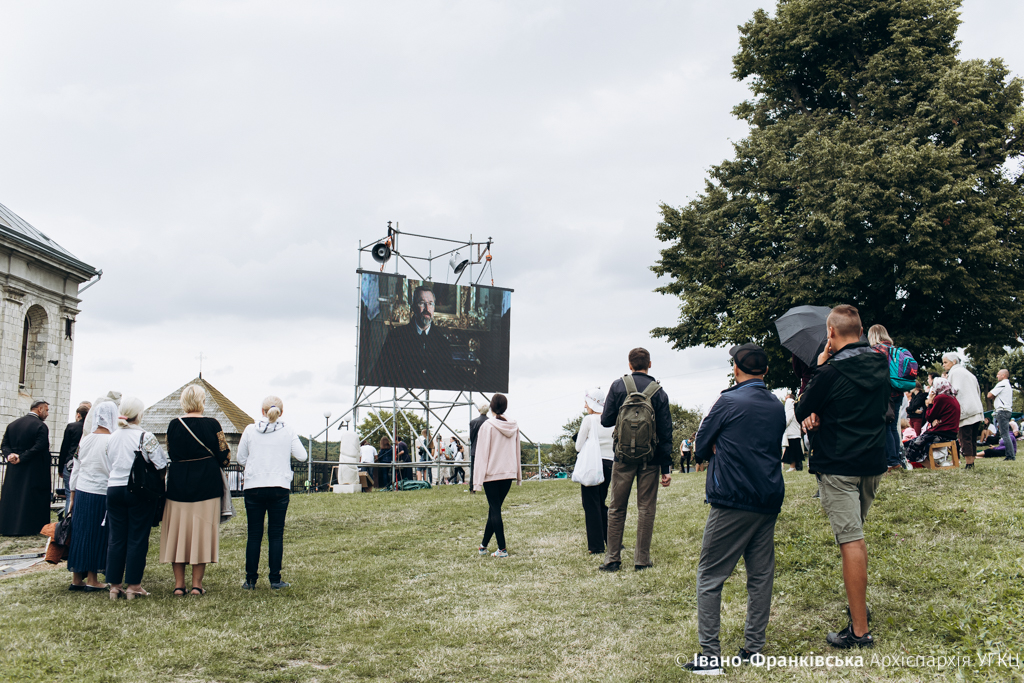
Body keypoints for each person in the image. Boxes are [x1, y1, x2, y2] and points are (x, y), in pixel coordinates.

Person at [684, 343, 785, 674]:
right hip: (768, 496)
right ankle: (754, 648)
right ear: (765, 371)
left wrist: (716, 444)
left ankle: (711, 657)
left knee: (710, 575)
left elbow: (701, 446)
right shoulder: (776, 404)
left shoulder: (728, 401)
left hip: (733, 496)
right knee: (761, 575)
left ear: (736, 369)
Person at [794, 304, 887, 649]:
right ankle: (858, 605)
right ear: (861, 332)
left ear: (830, 333)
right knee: (856, 536)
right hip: (872, 462)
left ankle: (859, 631)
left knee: (851, 542)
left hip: (838, 465)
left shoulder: (829, 372)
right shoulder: (881, 363)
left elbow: (802, 409)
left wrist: (819, 368)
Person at [599, 347, 673, 572]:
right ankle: (642, 560)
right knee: (646, 508)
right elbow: (666, 433)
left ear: (629, 365)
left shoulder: (618, 386)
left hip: (622, 457)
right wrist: (666, 467)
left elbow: (606, 421)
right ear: (649, 364)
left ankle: (612, 559)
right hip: (651, 459)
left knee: (616, 507)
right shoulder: (658, 392)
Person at [160, 384, 231, 596]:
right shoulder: (213, 424)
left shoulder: (174, 425)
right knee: (202, 535)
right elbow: (224, 455)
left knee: (178, 534)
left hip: (178, 484)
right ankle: (197, 585)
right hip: (207, 485)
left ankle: (178, 585)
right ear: (203, 402)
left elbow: (170, 451)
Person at [236, 395, 307, 590]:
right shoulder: (287, 430)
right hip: (279, 486)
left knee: (254, 534)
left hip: (254, 486)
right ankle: (275, 579)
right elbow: (302, 456)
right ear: (281, 413)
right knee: (276, 535)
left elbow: (241, 458)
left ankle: (250, 580)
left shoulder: (250, 430)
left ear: (262, 411)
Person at [105, 396, 168, 599]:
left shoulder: (112, 437)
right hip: (138, 489)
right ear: (139, 415)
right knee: (137, 537)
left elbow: (108, 462)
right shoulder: (145, 436)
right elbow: (160, 463)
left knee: (116, 538)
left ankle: (114, 585)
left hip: (114, 488)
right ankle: (133, 585)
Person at [67, 401, 117, 592]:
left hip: (82, 490)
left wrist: (72, 495)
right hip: (101, 492)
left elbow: (76, 468)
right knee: (97, 534)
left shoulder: (85, 440)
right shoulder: (111, 441)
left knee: (80, 533)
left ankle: (76, 578)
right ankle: (92, 579)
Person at [372, 285, 455, 388]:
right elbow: (379, 375)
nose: (427, 308)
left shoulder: (443, 343)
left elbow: (449, 382)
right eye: (422, 303)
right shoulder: (396, 337)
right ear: (413, 307)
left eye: (430, 304)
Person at [473, 394, 521, 557]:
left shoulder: (487, 426)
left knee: (495, 509)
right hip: (508, 473)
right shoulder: (514, 425)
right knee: (494, 509)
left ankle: (502, 549)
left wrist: (477, 481)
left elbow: (481, 454)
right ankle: (483, 546)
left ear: (491, 407)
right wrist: (518, 475)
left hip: (491, 474)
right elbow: (517, 451)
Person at [0, 400, 52, 536]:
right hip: (33, 469)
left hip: (14, 469)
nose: (47, 414)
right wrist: (22, 458)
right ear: (39, 409)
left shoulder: (13, 424)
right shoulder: (41, 426)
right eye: (46, 410)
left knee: (13, 496)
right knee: (29, 498)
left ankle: (8, 527)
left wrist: (10, 455)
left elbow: (4, 444)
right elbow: (40, 446)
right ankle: (29, 528)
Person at [575, 387, 615, 554]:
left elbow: (578, 446)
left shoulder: (589, 420)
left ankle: (596, 545)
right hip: (609, 464)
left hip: (593, 464)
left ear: (592, 403)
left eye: (586, 402)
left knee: (590, 504)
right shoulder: (612, 419)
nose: (585, 406)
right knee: (601, 503)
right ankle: (612, 540)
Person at [867, 325, 910, 472]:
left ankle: (891, 461)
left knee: (885, 427)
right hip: (898, 392)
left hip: (885, 393)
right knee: (893, 427)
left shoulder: (876, 350)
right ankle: (896, 459)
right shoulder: (895, 350)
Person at [943, 353, 985, 470]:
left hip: (966, 410)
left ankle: (969, 464)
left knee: (965, 437)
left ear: (954, 362)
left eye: (945, 362)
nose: (943, 365)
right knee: (972, 438)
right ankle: (971, 462)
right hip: (976, 408)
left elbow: (953, 390)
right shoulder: (968, 373)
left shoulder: (955, 373)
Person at [905, 378, 960, 466]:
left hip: (941, 433)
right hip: (951, 432)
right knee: (916, 443)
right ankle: (933, 465)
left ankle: (930, 466)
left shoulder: (941, 398)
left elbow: (929, 417)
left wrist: (930, 402)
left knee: (910, 444)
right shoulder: (952, 397)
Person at [57, 403, 91, 515]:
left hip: (70, 463)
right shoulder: (91, 429)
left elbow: (64, 448)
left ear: (78, 415)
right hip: (84, 463)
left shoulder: (71, 427)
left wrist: (60, 468)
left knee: (69, 494)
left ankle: (68, 519)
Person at [987, 369, 1016, 461]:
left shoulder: (1002, 384)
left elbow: (989, 395)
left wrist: (993, 395)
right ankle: (1010, 454)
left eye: (998, 374)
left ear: (1003, 375)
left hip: (1002, 411)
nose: (997, 376)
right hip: (1007, 411)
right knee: (1006, 433)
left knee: (1005, 435)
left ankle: (1010, 456)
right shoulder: (1008, 385)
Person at [469, 404, 489, 493]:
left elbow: (472, 437)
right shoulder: (490, 422)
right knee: (488, 469)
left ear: (479, 410)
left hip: (475, 448)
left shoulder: (473, 422)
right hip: (487, 449)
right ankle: (488, 487)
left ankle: (472, 488)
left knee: (474, 470)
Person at [782, 391, 803, 472]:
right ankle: (798, 466)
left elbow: (786, 422)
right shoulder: (796, 411)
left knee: (792, 452)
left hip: (792, 434)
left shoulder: (790, 412)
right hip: (796, 433)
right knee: (796, 451)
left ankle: (792, 467)